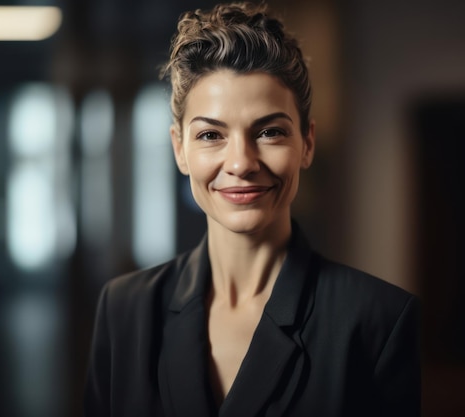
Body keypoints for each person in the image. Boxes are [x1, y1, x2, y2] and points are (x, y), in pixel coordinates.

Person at [83, 2, 420, 416]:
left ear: (307, 144)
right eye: (211, 135)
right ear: (179, 149)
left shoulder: (377, 322)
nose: (241, 163)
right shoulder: (124, 312)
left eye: (270, 132)